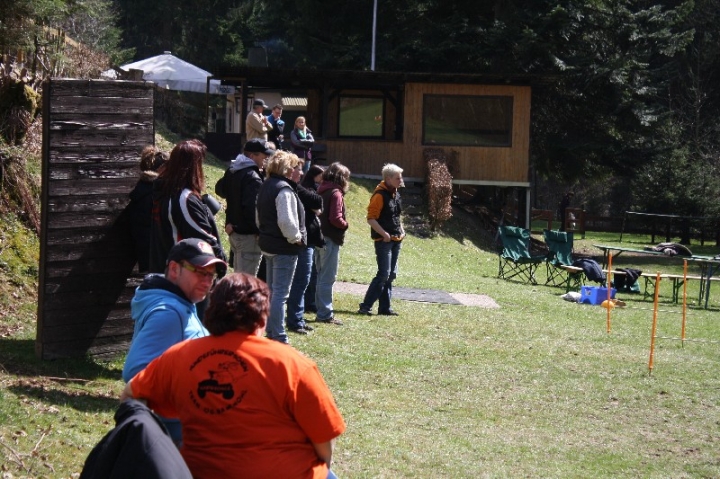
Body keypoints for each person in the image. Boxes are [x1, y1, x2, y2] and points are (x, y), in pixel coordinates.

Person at [120, 272, 346, 479]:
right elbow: (323, 439)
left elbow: (131, 394)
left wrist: (158, 445)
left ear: (212, 308)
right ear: (262, 315)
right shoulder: (291, 364)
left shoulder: (177, 357)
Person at [122, 238, 227, 444]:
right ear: (173, 269)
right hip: (174, 437)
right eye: (199, 271)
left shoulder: (182, 305)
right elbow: (135, 372)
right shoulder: (169, 313)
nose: (207, 282)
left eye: (211, 276)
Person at [149, 139, 227, 275]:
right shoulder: (184, 199)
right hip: (184, 278)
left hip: (165, 271)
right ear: (194, 167)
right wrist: (220, 263)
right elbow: (203, 241)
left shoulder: (165, 192)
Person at [256, 150, 306, 343]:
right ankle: (278, 335)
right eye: (294, 167)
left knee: (272, 291)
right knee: (280, 294)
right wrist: (296, 238)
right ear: (286, 169)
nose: (298, 171)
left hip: (268, 243)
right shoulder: (284, 189)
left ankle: (271, 330)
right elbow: (286, 221)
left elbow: (257, 216)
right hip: (283, 246)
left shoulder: (266, 185)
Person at [219, 138, 273, 276]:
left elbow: (220, 189)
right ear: (252, 156)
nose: (266, 159)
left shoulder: (234, 170)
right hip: (248, 236)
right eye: (264, 156)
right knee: (246, 285)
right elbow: (252, 210)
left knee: (239, 279)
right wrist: (259, 231)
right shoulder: (253, 177)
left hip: (234, 231)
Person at [358, 163, 405, 316]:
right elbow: (371, 218)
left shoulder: (396, 193)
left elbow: (397, 216)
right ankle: (365, 306)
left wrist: (402, 231)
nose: (401, 180)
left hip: (396, 239)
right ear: (388, 179)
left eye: (400, 177)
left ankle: (385, 308)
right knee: (383, 274)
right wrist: (384, 234)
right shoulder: (379, 195)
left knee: (391, 275)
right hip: (383, 241)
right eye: (397, 178)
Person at [286, 164, 325, 334]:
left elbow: (318, 205)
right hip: (300, 240)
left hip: (303, 239)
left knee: (302, 280)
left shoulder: (294, 188)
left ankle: (297, 318)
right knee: (300, 280)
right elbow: (317, 202)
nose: (301, 172)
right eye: (297, 169)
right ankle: (294, 320)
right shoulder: (293, 188)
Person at [314, 162, 351, 326]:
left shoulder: (322, 190)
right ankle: (325, 313)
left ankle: (320, 310)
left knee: (321, 276)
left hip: (319, 237)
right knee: (327, 278)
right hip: (330, 238)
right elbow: (335, 218)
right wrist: (345, 224)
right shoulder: (336, 193)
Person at [127, 146, 168, 273]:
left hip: (147, 253)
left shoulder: (143, 189)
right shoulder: (155, 192)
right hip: (156, 255)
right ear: (161, 169)